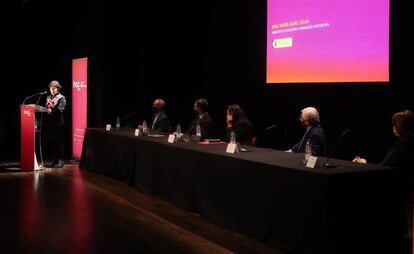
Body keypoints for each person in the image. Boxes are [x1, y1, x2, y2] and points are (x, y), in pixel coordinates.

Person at [353, 110, 414, 242]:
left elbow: (385, 168)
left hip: (395, 185)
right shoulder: (408, 141)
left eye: (395, 124)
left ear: (400, 127)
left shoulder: (403, 144)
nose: (393, 127)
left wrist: (365, 163)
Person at [44, 80, 66, 168]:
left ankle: (61, 160)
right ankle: (54, 160)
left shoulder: (61, 98)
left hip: (58, 123)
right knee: (52, 142)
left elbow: (60, 110)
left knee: (58, 142)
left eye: (54, 88)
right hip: (50, 123)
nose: (52, 90)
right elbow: (46, 109)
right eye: (51, 88)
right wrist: (46, 106)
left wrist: (52, 105)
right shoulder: (48, 97)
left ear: (58, 89)